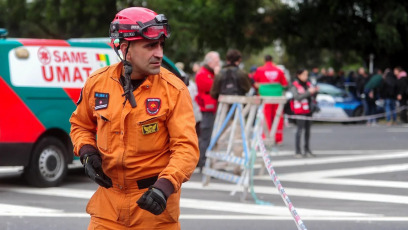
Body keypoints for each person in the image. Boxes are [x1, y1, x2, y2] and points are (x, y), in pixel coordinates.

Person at [69, 7, 199, 230]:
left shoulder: (174, 90)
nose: (159, 53)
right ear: (124, 47)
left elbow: (186, 148)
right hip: (107, 207)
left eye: (161, 45)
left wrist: (165, 186)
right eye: (150, 46)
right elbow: (80, 125)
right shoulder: (97, 82)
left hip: (154, 207)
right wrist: (87, 152)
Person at [253, 55, 288, 145]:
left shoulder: (260, 70)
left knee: (266, 117)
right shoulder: (279, 70)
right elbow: (284, 84)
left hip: (265, 96)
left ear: (264, 60)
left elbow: (255, 82)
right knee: (278, 117)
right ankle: (278, 138)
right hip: (277, 96)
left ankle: (266, 137)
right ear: (272, 60)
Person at [195, 51, 221, 169]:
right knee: (206, 135)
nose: (218, 63)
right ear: (210, 62)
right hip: (208, 108)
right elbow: (214, 87)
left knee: (211, 135)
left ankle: (207, 161)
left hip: (213, 107)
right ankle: (202, 161)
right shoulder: (203, 74)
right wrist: (218, 75)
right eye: (216, 61)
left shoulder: (209, 73)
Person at [290, 69, 319, 158]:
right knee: (299, 130)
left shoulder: (308, 84)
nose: (306, 77)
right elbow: (297, 97)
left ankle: (307, 150)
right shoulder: (295, 85)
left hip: (309, 110)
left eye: (307, 75)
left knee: (308, 131)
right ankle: (298, 151)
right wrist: (308, 92)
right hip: (300, 111)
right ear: (299, 75)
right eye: (304, 75)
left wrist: (315, 91)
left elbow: (313, 96)